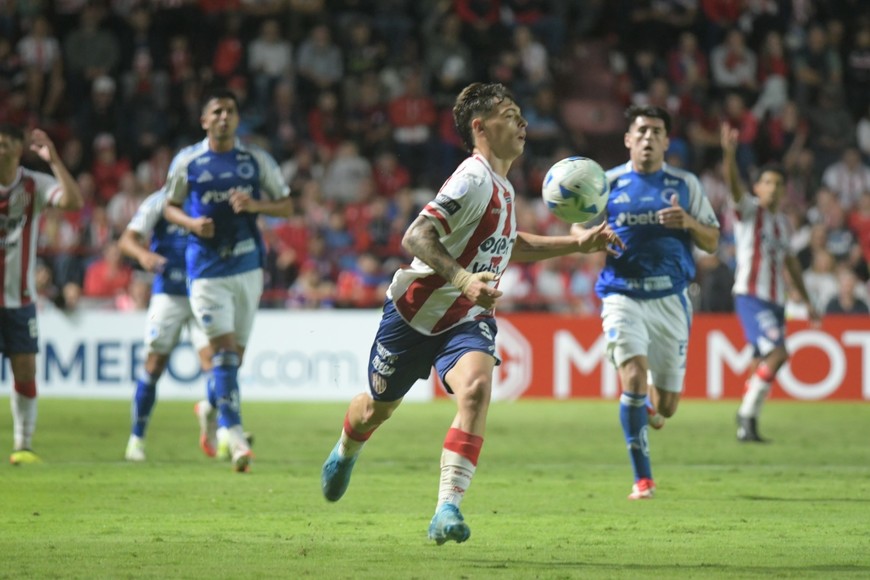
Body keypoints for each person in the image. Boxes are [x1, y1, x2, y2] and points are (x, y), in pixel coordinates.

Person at [320, 82, 623, 544]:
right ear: (480, 127)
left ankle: (447, 508)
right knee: (373, 412)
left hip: (465, 319)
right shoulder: (473, 177)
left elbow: (509, 247)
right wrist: (463, 279)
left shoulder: (501, 185)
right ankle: (345, 449)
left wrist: (576, 244)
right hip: (412, 317)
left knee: (477, 390)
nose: (522, 122)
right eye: (510, 113)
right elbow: (416, 236)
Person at [579, 105, 720, 500]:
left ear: (666, 141)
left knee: (668, 406)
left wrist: (689, 224)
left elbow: (712, 240)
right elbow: (578, 228)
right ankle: (643, 478)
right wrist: (589, 237)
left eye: (656, 132)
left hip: (671, 300)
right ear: (628, 139)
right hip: (622, 294)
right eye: (640, 131)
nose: (647, 138)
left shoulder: (685, 183)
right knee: (634, 378)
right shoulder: (606, 183)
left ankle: (652, 411)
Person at [163, 88, 293, 473]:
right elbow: (167, 206)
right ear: (204, 120)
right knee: (221, 354)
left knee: (232, 360)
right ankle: (234, 434)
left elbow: (286, 205)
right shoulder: (188, 161)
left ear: (237, 119)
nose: (223, 117)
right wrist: (191, 223)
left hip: (248, 266)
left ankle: (209, 406)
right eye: (216, 111)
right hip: (205, 270)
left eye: (230, 111)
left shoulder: (255, 160)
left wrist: (256, 206)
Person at [721, 123, 820, 443]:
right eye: (767, 182)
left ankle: (746, 424)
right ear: (758, 188)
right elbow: (735, 187)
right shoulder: (750, 211)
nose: (773, 188)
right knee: (778, 355)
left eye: (778, 183)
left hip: (776, 301)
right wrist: (729, 155)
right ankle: (746, 415)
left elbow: (791, 263)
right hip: (751, 296)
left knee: (759, 360)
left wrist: (806, 301)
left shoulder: (782, 223)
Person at [0, 125, 83, 465]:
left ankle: (24, 444)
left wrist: (54, 161)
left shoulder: (35, 183)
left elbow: (73, 202)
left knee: (25, 370)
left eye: (6, 143)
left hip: (19, 300)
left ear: (19, 149)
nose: (0, 148)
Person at [118, 188, 215, 462]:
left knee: (216, 364)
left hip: (203, 291)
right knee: (154, 364)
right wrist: (142, 255)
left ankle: (213, 417)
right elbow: (126, 240)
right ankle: (136, 439)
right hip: (168, 294)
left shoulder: (208, 197)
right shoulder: (159, 202)